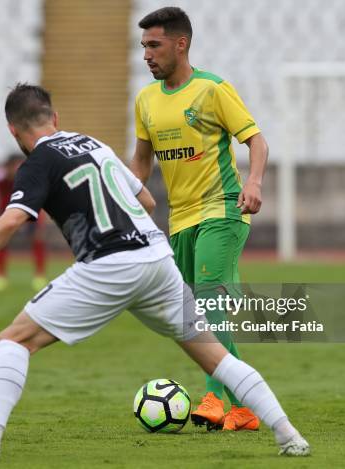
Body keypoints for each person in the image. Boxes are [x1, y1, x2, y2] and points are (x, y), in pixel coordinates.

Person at [0, 84, 309, 460]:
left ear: (12, 129)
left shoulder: (38, 162)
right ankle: (289, 435)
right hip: (157, 259)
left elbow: (11, 221)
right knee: (216, 358)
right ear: (55, 116)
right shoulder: (94, 145)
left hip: (107, 265)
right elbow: (148, 200)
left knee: (13, 340)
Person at [130, 7, 269, 432]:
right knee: (195, 315)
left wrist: (255, 183)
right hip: (180, 219)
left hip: (223, 208)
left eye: (154, 46)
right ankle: (245, 410)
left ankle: (212, 398)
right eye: (143, 48)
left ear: (180, 43)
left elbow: (256, 140)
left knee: (208, 304)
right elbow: (140, 163)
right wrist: (124, 198)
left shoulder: (212, 89)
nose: (147, 56)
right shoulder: (146, 100)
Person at [0, 153, 47, 292]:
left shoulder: (31, 177)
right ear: (7, 167)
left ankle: (39, 275)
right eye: (15, 166)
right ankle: (0, 276)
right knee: (0, 244)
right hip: (6, 214)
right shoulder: (0, 180)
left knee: (37, 241)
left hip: (29, 213)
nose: (18, 169)